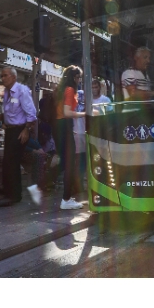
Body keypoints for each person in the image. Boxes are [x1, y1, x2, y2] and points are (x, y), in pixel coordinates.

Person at [0, 67, 39, 207]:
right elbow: (11, 112)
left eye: (5, 75)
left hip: (20, 130)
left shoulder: (22, 91)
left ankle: (13, 195)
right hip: (10, 130)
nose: (2, 78)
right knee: (8, 162)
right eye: (1, 76)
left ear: (13, 77)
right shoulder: (7, 91)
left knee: (12, 162)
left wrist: (26, 130)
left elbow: (32, 114)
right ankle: (10, 192)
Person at [54, 65, 85, 210]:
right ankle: (66, 199)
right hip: (65, 126)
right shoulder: (70, 90)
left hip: (60, 126)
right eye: (79, 77)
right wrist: (85, 114)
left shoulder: (62, 90)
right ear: (74, 77)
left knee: (65, 163)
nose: (79, 80)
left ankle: (40, 186)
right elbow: (67, 112)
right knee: (70, 164)